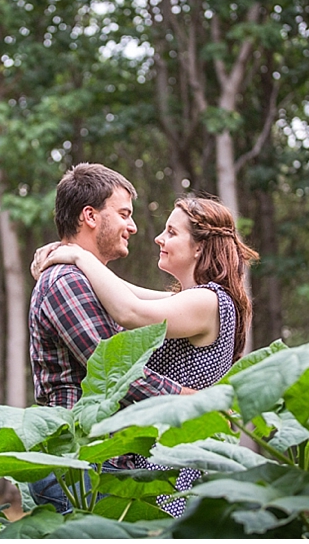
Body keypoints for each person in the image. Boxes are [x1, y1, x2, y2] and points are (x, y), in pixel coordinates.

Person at [35, 193, 260, 517]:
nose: (158, 237)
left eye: (171, 232)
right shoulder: (196, 299)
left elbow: (129, 310)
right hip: (164, 452)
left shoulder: (209, 301)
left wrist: (78, 257)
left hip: (174, 459)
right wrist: (69, 257)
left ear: (199, 246)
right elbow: (125, 290)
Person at [27, 163, 196, 514]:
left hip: (96, 461)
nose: (133, 226)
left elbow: (144, 303)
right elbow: (116, 375)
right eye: (123, 214)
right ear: (90, 216)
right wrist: (195, 401)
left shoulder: (86, 279)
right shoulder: (66, 281)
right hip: (76, 465)